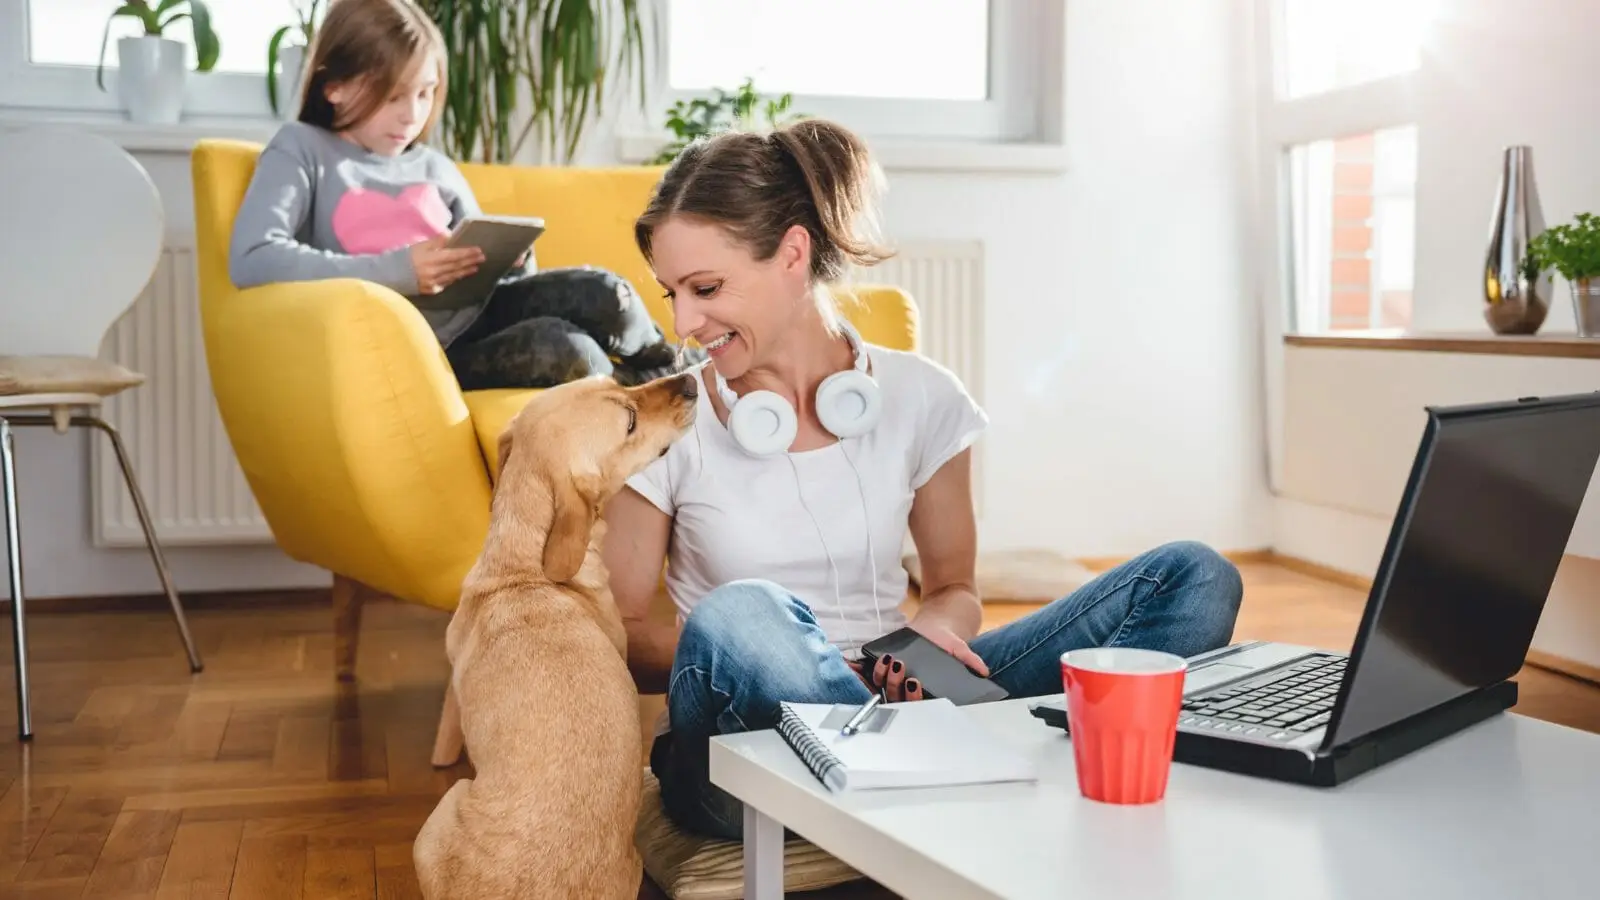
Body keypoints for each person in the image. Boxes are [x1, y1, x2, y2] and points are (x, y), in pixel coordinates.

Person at [601, 117, 1247, 840]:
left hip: (905, 697)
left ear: (792, 252)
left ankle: (921, 774)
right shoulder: (665, 421)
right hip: (746, 745)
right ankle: (954, 777)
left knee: (1195, 575)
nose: (685, 321)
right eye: (671, 295)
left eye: (706, 287)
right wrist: (759, 646)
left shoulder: (920, 397)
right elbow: (615, 632)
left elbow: (954, 588)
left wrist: (933, 634)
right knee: (743, 614)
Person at [227, 0, 686, 389]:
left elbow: (496, 279)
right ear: (335, 87)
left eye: (426, 94)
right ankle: (652, 396)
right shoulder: (302, 149)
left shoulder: (433, 166)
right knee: (566, 350)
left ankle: (678, 377)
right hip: (422, 350)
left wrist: (512, 263)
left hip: (480, 314)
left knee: (607, 292)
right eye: (395, 97)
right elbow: (253, 257)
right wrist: (400, 270)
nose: (413, 115)